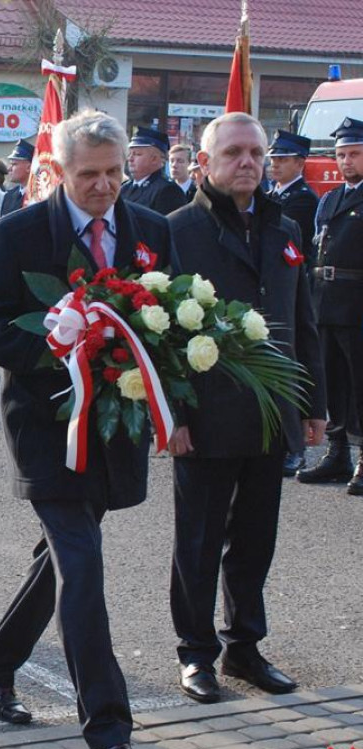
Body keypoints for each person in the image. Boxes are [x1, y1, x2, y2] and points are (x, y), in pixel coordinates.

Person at [0, 110, 176, 749]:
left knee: (62, 559)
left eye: (115, 172)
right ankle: (109, 729)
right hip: (46, 429)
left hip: (116, 428)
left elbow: (169, 323)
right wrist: (60, 349)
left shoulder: (155, 231)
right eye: (90, 175)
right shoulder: (17, 233)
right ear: (57, 170)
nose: (106, 185)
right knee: (81, 564)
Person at [166, 112, 326, 705]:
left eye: (256, 154)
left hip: (271, 411)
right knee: (200, 541)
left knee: (256, 539)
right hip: (206, 414)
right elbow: (161, 340)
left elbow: (301, 323)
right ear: (205, 162)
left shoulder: (283, 229)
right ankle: (196, 653)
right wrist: (173, 415)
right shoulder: (177, 229)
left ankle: (244, 647)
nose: (248, 163)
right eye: (234, 153)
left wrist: (315, 404)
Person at [296, 117, 363, 494]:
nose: (345, 162)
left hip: (356, 305)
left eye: (354, 154)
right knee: (332, 381)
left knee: (360, 384)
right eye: (340, 155)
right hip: (326, 301)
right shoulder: (331, 199)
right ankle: (338, 454)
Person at [263, 129, 320, 477]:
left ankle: (295, 446)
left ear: (300, 162)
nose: (275, 165)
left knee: (292, 368)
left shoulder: (302, 199)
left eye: (283, 159)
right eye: (273, 159)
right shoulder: (274, 195)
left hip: (291, 288)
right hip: (269, 292)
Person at [120, 126, 187, 215]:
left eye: (137, 154)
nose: (130, 159)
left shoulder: (168, 191)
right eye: (130, 153)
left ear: (154, 159)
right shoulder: (124, 188)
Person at [0, 139, 34, 216]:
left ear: (29, 167)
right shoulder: (8, 196)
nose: (9, 169)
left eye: (14, 164)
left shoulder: (39, 196)